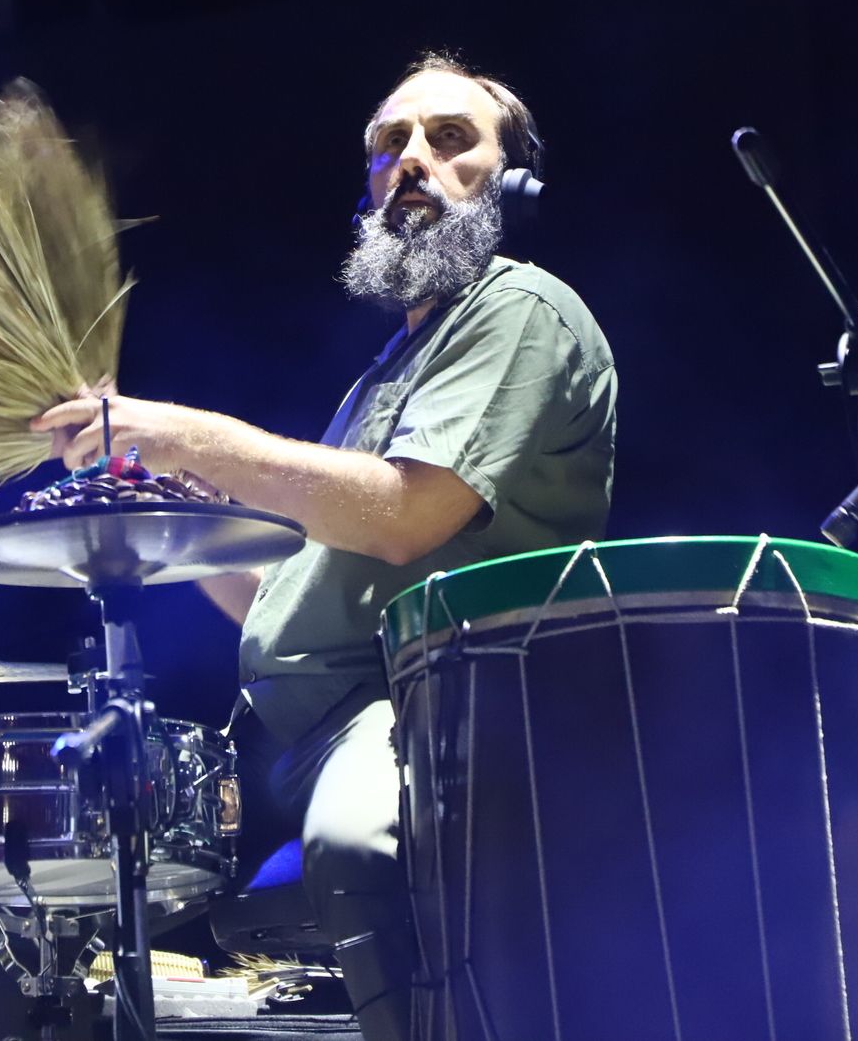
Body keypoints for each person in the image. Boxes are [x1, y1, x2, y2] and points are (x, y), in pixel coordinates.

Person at [33, 51, 616, 1041]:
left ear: (511, 180)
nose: (412, 161)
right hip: (327, 729)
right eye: (389, 145)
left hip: (446, 700)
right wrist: (169, 504)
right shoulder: (390, 372)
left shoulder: (516, 307)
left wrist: (176, 429)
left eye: (449, 138)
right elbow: (281, 594)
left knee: (351, 841)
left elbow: (402, 516)